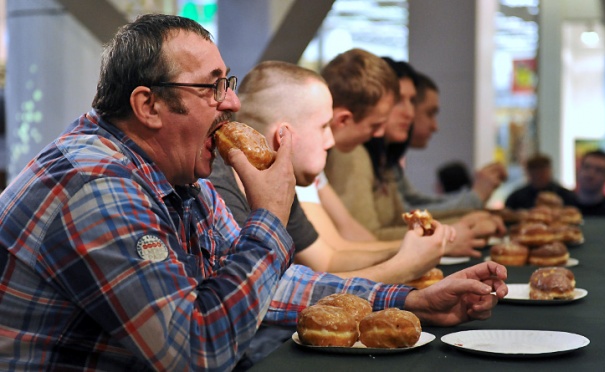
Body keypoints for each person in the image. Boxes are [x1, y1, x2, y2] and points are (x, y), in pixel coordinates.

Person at [0, 15, 508, 371]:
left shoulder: (182, 179)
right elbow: (198, 353)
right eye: (213, 87)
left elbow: (274, 287)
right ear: (149, 105)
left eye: (230, 83)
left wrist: (412, 299)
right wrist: (269, 215)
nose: (233, 103)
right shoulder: (97, 185)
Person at [210, 60, 451, 285]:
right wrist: (405, 266)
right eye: (324, 126)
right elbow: (268, 291)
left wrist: (407, 250)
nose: (331, 141)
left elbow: (326, 260)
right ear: (283, 136)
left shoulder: (281, 182)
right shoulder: (218, 190)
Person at [324, 57, 506, 256]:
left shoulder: (375, 157)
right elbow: (356, 244)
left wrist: (463, 222)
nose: (410, 113)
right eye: (399, 101)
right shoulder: (351, 154)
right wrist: (449, 234)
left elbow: (395, 220)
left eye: (411, 101)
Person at [394, 69, 507, 213]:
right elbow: (403, 217)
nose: (409, 113)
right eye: (430, 113)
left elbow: (416, 206)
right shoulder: (363, 156)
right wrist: (475, 198)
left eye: (410, 102)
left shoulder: (389, 163)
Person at [505, 153, 578, 210]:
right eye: (535, 171)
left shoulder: (567, 196)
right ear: (528, 172)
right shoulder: (516, 198)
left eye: (542, 170)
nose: (539, 175)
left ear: (550, 171)